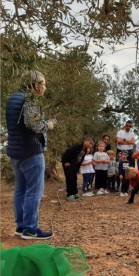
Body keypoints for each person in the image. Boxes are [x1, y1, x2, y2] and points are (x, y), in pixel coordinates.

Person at [6, 71, 55, 239]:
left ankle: (21, 226)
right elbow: (33, 126)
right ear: (35, 86)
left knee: (20, 190)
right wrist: (49, 124)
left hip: (16, 152)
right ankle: (30, 229)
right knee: (34, 192)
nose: (45, 87)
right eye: (43, 83)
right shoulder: (30, 99)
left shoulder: (13, 98)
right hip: (31, 152)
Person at [62, 137, 96, 202]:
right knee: (70, 179)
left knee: (74, 178)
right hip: (68, 165)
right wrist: (66, 161)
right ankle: (70, 194)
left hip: (75, 165)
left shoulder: (85, 150)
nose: (90, 145)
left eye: (92, 145)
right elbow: (68, 152)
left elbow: (80, 160)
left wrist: (78, 168)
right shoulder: (77, 146)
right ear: (86, 140)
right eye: (90, 143)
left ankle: (75, 193)